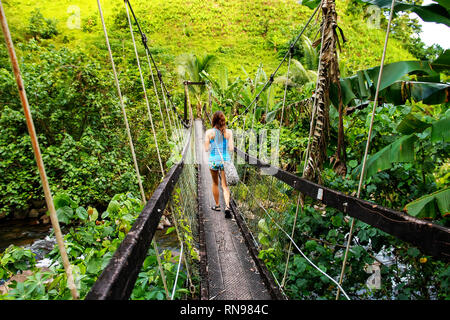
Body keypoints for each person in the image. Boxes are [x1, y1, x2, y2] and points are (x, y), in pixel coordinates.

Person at [204, 111, 234, 219]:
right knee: (225, 186)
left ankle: (217, 206)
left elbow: (206, 149)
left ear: (213, 120)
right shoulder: (229, 132)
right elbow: (231, 148)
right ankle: (227, 207)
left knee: (215, 183)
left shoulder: (209, 132)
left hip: (213, 160)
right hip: (225, 160)